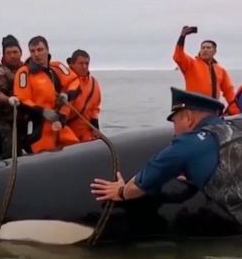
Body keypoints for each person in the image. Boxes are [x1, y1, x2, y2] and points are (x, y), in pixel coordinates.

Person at [91, 87, 242, 232]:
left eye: (175, 122)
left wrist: (122, 191)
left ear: (188, 118)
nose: (174, 131)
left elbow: (140, 185)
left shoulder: (186, 145)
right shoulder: (236, 126)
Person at [13, 35, 80, 153]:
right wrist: (42, 111)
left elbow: (74, 82)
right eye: (32, 51)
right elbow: (22, 99)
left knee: (76, 149)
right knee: (43, 153)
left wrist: (66, 95)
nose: (36, 54)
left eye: (40, 50)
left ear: (47, 50)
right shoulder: (24, 73)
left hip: (59, 123)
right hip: (38, 126)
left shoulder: (58, 67)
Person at [173, 26, 239, 115]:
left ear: (214, 51)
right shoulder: (191, 64)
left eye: (208, 48)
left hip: (213, 109)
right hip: (195, 109)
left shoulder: (220, 70)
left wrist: (236, 111)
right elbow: (178, 57)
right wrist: (182, 37)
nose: (205, 50)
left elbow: (229, 91)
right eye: (203, 48)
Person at [0, 35, 24, 158]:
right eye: (9, 53)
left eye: (15, 52)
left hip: (26, 117)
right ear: (4, 55)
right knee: (12, 152)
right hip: (7, 120)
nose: (12, 55)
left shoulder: (26, 69)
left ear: (21, 52)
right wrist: (8, 99)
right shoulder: (0, 72)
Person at [66, 49, 101, 141]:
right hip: (67, 132)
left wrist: (95, 126)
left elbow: (95, 108)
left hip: (86, 133)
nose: (84, 66)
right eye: (81, 63)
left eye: (87, 63)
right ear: (72, 64)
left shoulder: (94, 83)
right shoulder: (64, 81)